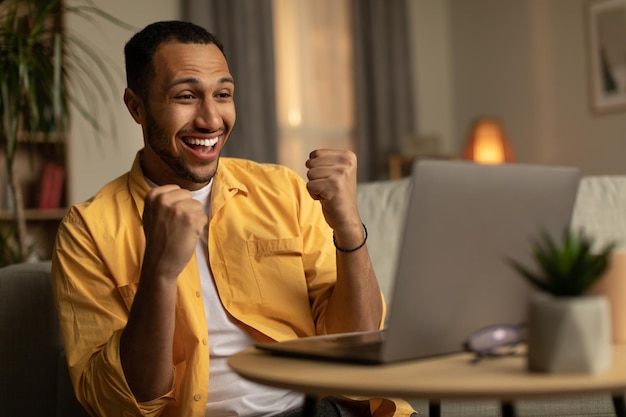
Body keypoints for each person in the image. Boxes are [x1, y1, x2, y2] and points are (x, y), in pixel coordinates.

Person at [51, 20, 415, 417]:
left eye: (223, 94)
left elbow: (355, 347)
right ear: (136, 107)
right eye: (186, 96)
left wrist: (348, 229)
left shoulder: (284, 191)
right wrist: (158, 272)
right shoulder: (87, 230)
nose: (211, 119)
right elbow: (122, 402)